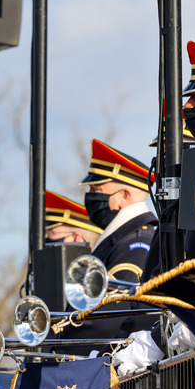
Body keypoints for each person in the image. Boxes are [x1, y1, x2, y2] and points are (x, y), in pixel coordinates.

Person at [57, 139, 159, 349]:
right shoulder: (122, 239)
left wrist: (62, 352)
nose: (91, 195)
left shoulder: (136, 244)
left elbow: (110, 318)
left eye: (97, 188)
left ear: (124, 195)